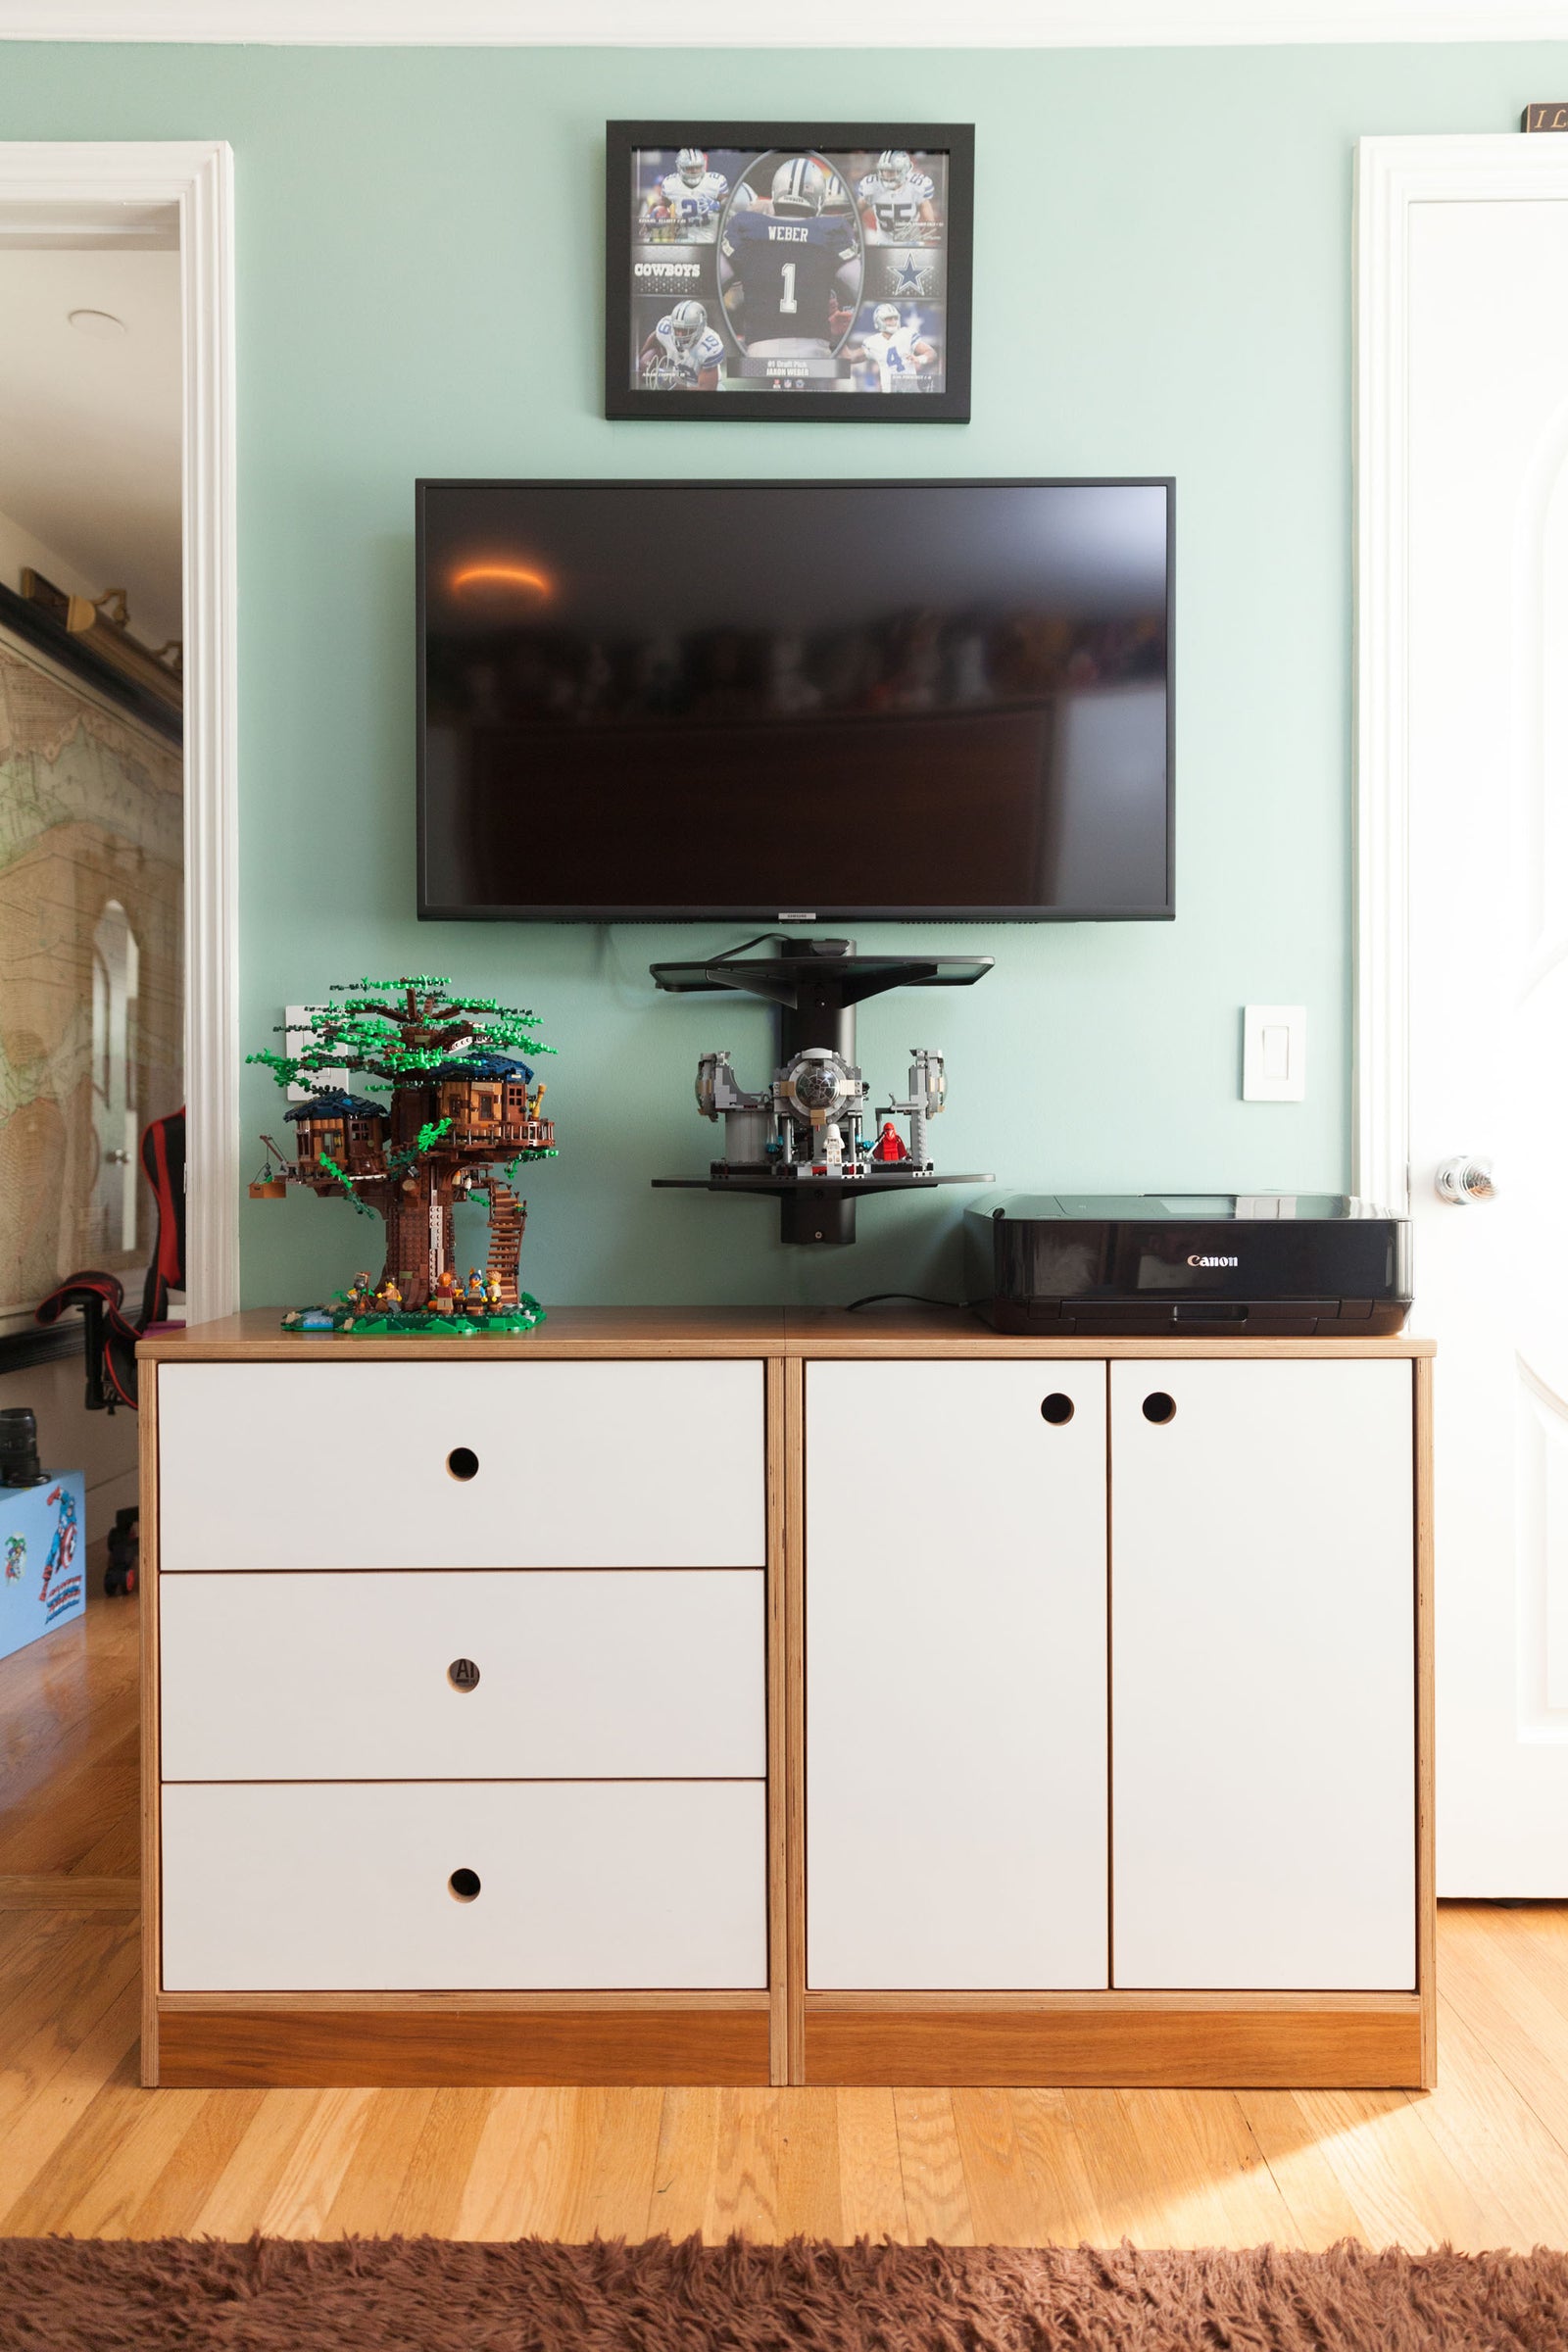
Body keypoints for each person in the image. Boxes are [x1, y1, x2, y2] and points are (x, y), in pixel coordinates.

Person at [719, 157, 859, 360]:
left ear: (776, 192)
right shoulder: (831, 232)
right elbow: (862, 285)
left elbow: (712, 282)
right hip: (815, 350)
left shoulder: (749, 228)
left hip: (761, 349)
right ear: (820, 198)